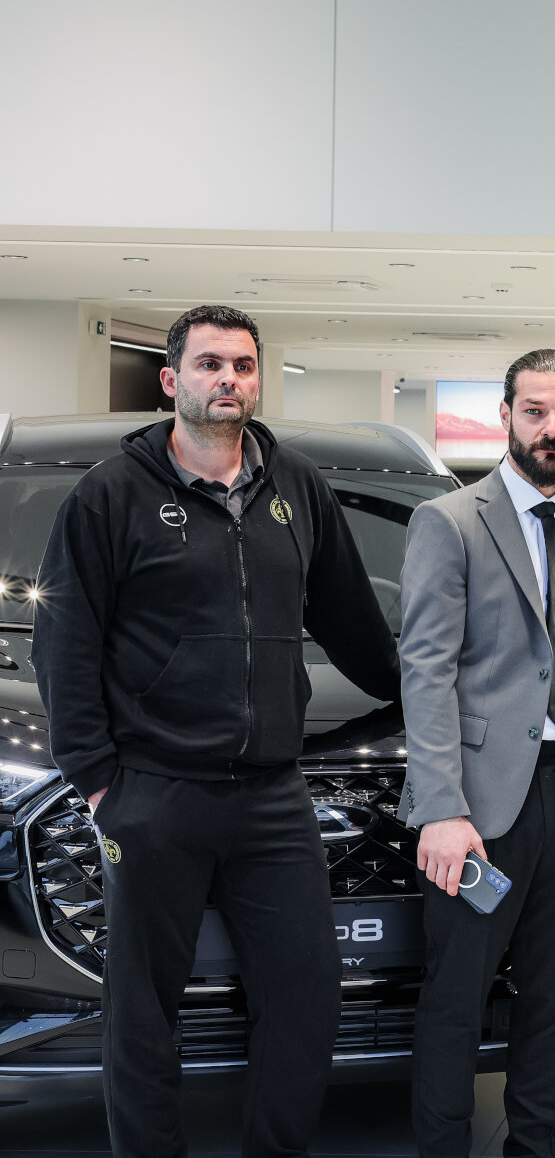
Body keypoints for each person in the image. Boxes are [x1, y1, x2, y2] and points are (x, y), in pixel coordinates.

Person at [36, 304, 402, 1158]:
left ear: (257, 378)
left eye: (241, 364)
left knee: (308, 991)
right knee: (143, 1008)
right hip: (154, 793)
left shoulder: (296, 487)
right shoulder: (110, 496)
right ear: (172, 380)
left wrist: (425, 699)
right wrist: (100, 783)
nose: (227, 379)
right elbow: (66, 646)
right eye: (209, 364)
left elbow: (352, 623)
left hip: (273, 794)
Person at [398, 349, 555, 1158]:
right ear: (506, 415)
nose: (551, 428)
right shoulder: (450, 520)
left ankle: (534, 1148)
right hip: (478, 806)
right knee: (455, 1001)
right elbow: (426, 671)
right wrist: (442, 808)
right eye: (535, 411)